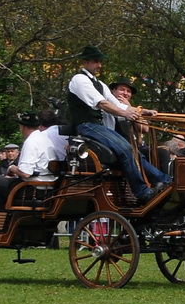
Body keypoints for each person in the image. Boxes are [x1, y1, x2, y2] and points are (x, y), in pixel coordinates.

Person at [67, 46, 163, 204]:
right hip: (86, 125)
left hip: (97, 126)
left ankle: (163, 180)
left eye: (100, 61)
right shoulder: (79, 80)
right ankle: (142, 192)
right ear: (85, 62)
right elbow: (102, 103)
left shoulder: (99, 84)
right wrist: (126, 114)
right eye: (96, 61)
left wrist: (143, 111)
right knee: (125, 149)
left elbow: (116, 103)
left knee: (134, 152)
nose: (99, 65)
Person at [0, 111, 44, 209]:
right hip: (47, 187)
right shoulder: (45, 139)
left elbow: (25, 173)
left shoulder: (31, 142)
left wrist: (12, 168)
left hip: (33, 188)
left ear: (22, 127)